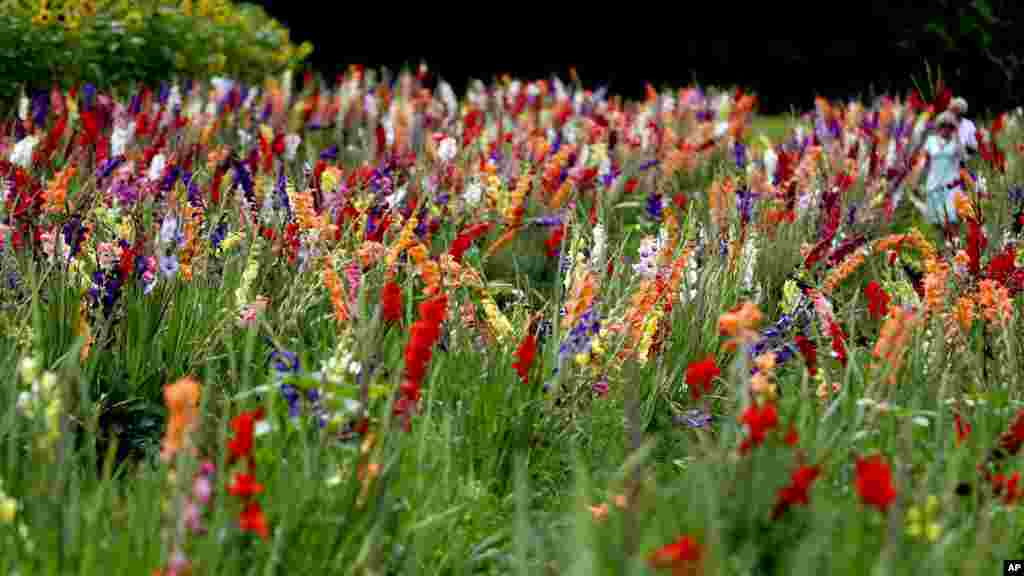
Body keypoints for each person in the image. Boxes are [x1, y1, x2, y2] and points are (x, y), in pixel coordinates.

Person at [923, 110, 965, 243]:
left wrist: (957, 133)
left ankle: (957, 252)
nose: (946, 129)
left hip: (951, 186)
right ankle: (942, 254)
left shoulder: (956, 142)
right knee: (938, 223)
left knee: (952, 219)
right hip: (934, 185)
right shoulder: (930, 141)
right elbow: (925, 163)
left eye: (950, 126)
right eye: (943, 125)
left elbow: (962, 157)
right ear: (938, 126)